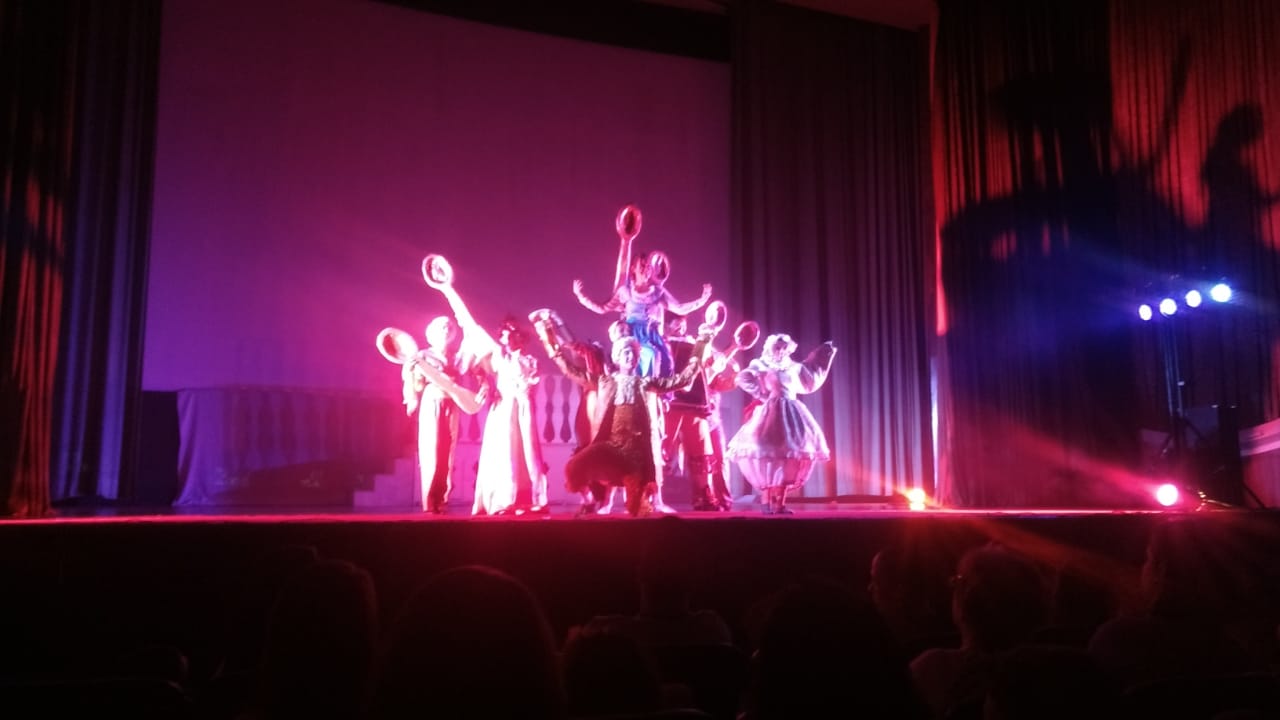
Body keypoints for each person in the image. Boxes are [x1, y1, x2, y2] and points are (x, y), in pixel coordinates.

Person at [553, 328, 715, 517]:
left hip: (636, 457)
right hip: (610, 449)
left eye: (634, 354)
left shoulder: (646, 383)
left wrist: (701, 344)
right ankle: (589, 501)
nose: (630, 357)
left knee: (637, 509)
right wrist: (549, 339)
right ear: (617, 358)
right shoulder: (605, 382)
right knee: (575, 467)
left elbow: (683, 380)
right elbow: (572, 371)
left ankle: (639, 509)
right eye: (626, 353)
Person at [572, 206, 712, 378]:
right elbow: (603, 308)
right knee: (649, 356)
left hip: (653, 336)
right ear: (633, 269)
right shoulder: (626, 291)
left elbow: (680, 308)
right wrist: (581, 296)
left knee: (666, 364)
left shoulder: (658, 292)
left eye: (648, 266)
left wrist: (701, 300)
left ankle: (656, 391)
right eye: (642, 265)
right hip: (632, 336)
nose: (646, 268)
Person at [726, 333, 837, 514]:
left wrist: (825, 352)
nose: (781, 350)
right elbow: (743, 378)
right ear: (770, 347)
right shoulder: (761, 364)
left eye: (784, 347)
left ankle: (780, 505)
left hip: (791, 412)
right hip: (770, 412)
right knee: (768, 455)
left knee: (788, 456)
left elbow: (811, 377)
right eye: (777, 347)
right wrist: (762, 393)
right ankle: (766, 503)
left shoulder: (794, 367)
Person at [472, 317, 549, 516]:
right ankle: (503, 500)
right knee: (505, 450)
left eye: (512, 332)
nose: (508, 336)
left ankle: (530, 498)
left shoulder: (530, 361)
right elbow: (478, 366)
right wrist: (487, 385)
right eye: (505, 333)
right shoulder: (498, 356)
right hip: (504, 406)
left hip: (522, 406)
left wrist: (525, 392)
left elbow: (532, 385)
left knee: (526, 450)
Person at [401, 315, 479, 513]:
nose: (445, 331)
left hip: (452, 403)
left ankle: (443, 498)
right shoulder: (423, 356)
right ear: (433, 332)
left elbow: (470, 367)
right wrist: (412, 398)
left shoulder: (456, 357)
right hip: (432, 401)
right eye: (442, 328)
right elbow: (414, 383)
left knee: (448, 451)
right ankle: (430, 499)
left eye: (448, 328)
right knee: (432, 450)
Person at [663, 313, 738, 511]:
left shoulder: (695, 344)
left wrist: (727, 352)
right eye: (676, 324)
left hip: (695, 404)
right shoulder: (660, 343)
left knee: (702, 451)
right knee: (661, 449)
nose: (680, 328)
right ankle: (647, 494)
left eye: (682, 324)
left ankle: (704, 495)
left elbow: (710, 371)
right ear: (666, 325)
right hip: (669, 402)